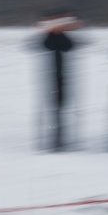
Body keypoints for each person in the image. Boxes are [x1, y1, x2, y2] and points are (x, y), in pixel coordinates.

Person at [31, 9, 82, 151]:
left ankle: (60, 138)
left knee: (61, 107)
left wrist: (62, 33)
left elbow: (69, 47)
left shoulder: (63, 37)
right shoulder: (48, 37)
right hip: (50, 77)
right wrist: (52, 33)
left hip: (63, 76)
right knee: (54, 109)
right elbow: (45, 45)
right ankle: (55, 139)